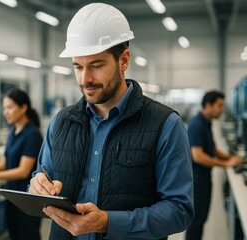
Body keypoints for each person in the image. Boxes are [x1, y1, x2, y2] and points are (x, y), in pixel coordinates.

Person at [29, 3, 194, 240]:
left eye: (96, 66)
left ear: (124, 60)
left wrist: (108, 222)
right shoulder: (61, 122)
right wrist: (37, 188)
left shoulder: (165, 125)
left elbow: (180, 210)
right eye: (78, 67)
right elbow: (39, 179)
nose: (85, 79)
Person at [185, 91, 243, 240]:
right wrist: (226, 164)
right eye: (219, 106)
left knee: (201, 219)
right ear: (208, 105)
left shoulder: (206, 122)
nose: (222, 109)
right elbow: (198, 156)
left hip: (204, 179)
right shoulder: (196, 124)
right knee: (196, 222)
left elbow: (213, 149)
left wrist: (232, 158)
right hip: (197, 182)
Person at [0, 88, 43, 240]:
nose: (5, 112)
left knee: (27, 235)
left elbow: (23, 170)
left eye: (9, 107)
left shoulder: (32, 134)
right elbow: (6, 161)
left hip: (27, 199)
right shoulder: (13, 131)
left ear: (23, 108)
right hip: (13, 196)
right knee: (14, 234)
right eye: (4, 108)